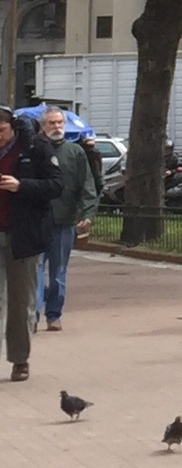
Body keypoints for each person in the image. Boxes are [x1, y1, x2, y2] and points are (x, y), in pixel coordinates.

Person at [0, 108, 58, 381]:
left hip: (21, 236)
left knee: (20, 300)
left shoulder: (35, 147)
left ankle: (20, 359)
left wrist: (20, 185)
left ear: (11, 128)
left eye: (1, 131)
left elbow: (56, 185)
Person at [38, 108, 98, 331]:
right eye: (52, 123)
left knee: (58, 273)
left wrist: (88, 213)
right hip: (36, 222)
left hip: (64, 221)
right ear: (43, 126)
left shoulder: (75, 152)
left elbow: (87, 184)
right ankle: (33, 313)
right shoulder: (34, 150)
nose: (56, 127)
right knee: (33, 271)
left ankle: (53, 315)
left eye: (59, 123)